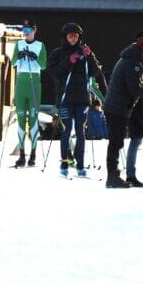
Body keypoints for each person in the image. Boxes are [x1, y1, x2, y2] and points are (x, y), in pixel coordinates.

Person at [47, 22, 107, 178]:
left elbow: (95, 72)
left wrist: (90, 57)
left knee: (80, 132)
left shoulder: (85, 52)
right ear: (65, 37)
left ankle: (80, 166)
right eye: (70, 36)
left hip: (82, 99)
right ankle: (65, 164)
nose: (73, 39)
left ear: (79, 37)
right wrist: (69, 61)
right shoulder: (58, 53)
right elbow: (54, 73)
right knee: (66, 131)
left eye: (75, 36)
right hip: (65, 98)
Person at [102, 31, 143, 188]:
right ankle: (112, 177)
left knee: (117, 142)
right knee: (115, 142)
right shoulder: (134, 63)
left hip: (117, 107)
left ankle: (116, 175)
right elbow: (134, 89)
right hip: (117, 108)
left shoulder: (131, 58)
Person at [10, 18, 46, 167]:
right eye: (24, 31)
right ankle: (22, 155)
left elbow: (43, 65)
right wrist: (18, 56)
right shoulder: (18, 44)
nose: (26, 34)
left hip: (34, 82)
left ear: (34, 30)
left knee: (32, 120)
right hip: (21, 82)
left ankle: (33, 154)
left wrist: (34, 57)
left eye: (28, 31)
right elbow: (12, 62)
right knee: (20, 120)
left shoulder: (40, 45)